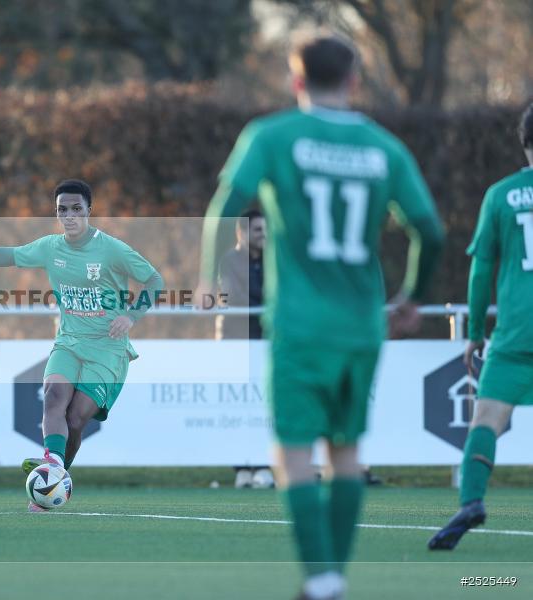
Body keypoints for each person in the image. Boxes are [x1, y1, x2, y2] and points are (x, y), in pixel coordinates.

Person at [197, 36, 443, 600]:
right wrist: (413, 295)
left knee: (291, 451)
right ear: (354, 82)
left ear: (297, 81)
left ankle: (323, 577)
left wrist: (208, 275)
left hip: (300, 324)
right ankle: (332, 577)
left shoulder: (271, 135)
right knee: (347, 452)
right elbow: (429, 230)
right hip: (361, 326)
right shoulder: (384, 148)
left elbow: (225, 206)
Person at [0, 179, 164, 511]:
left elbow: (155, 280)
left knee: (77, 418)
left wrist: (131, 316)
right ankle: (51, 474)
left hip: (108, 349)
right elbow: (7, 256)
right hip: (68, 343)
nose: (69, 216)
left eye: (76, 209)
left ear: (89, 210)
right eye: (62, 210)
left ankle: (54, 475)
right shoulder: (51, 247)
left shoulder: (111, 249)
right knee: (53, 397)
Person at [428, 102, 533, 550]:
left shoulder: (501, 195)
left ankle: (471, 501)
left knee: (486, 420)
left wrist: (473, 333)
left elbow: (480, 271)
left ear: (524, 141)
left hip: (515, 334)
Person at [217, 208, 265, 340]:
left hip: (264, 337)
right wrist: (268, 307)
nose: (263, 234)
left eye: (265, 230)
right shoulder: (228, 261)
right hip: (236, 338)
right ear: (241, 233)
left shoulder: (269, 262)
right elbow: (233, 298)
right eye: (258, 229)